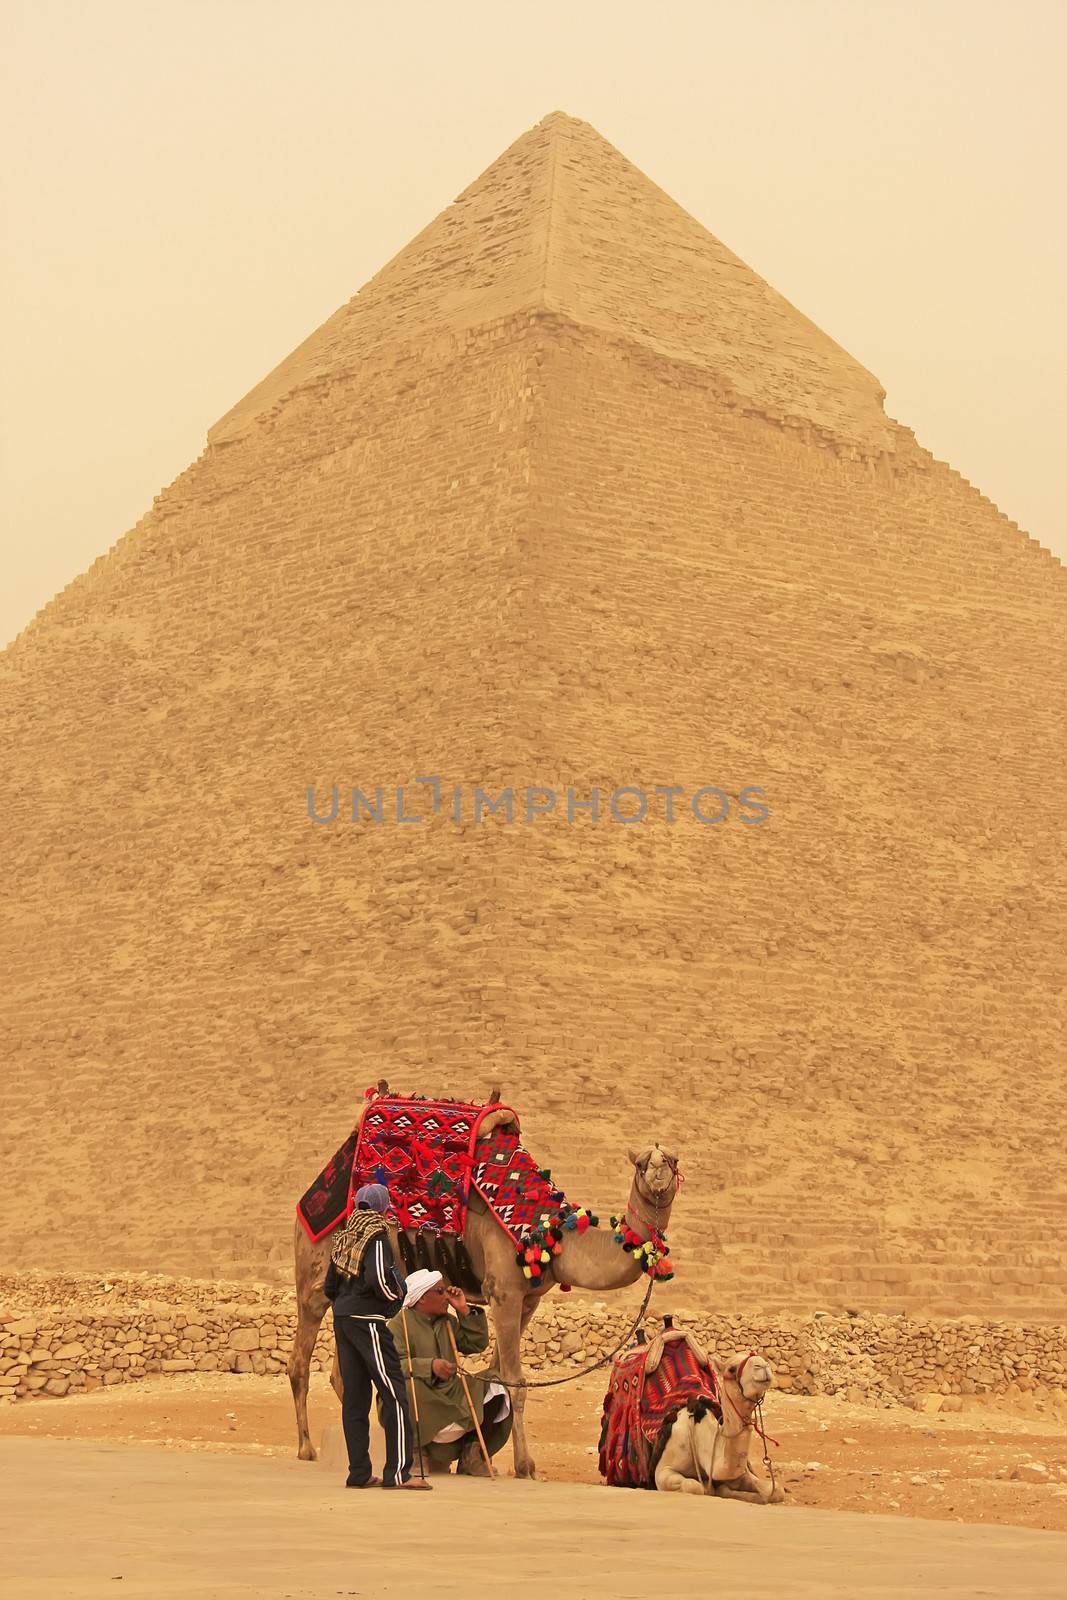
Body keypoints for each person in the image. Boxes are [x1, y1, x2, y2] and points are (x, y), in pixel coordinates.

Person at [323, 1183, 431, 1490]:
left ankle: (359, 1472)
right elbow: (380, 1278)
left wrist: (345, 1305)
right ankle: (398, 1473)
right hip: (368, 1320)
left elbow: (330, 1286)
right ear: (384, 1209)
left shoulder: (344, 1236)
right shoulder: (376, 1234)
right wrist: (395, 1300)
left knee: (355, 1398)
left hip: (343, 1320)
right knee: (393, 1392)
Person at [387, 1268, 513, 1476]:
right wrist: (430, 1366)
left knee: (494, 1382)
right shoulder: (399, 1325)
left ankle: (471, 1453)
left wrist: (464, 1310)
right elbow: (392, 1366)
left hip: (452, 1392)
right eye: (440, 1292)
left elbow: (476, 1343)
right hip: (424, 1395)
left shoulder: (447, 1322)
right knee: (406, 1389)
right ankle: (416, 1452)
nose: (446, 1296)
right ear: (421, 1299)